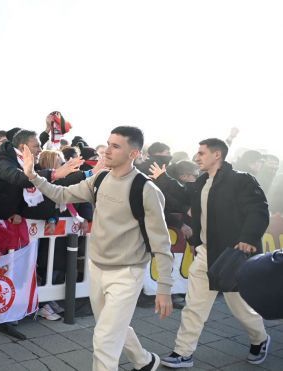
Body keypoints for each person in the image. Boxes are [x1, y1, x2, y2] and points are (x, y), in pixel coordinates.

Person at [22, 126, 173, 371]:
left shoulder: (146, 190)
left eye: (116, 146)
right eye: (108, 143)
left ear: (133, 153)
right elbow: (62, 195)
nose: (108, 150)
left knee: (104, 339)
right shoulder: (100, 178)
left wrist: (164, 288)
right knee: (111, 325)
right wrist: (32, 176)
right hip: (98, 268)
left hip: (127, 273)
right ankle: (144, 361)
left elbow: (161, 242)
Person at [149, 138, 271, 368]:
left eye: (202, 153)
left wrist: (247, 238)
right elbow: (183, 194)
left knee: (240, 307)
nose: (197, 157)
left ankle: (260, 339)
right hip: (205, 253)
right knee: (194, 305)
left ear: (217, 155)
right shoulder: (202, 181)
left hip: (232, 255)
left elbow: (258, 209)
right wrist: (163, 179)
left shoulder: (241, 180)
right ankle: (183, 353)